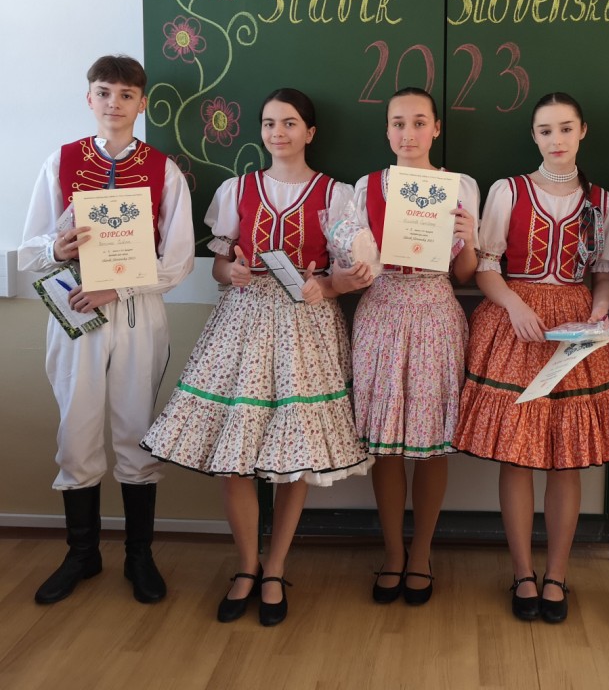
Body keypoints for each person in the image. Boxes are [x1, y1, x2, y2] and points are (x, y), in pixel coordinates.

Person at [142, 88, 374, 626]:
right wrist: (234, 271)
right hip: (242, 323)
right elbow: (220, 267)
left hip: (306, 326)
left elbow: (347, 276)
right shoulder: (237, 188)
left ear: (309, 132)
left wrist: (326, 286)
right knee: (235, 454)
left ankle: (275, 567)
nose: (278, 132)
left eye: (289, 123)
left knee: (294, 455)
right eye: (269, 123)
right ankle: (246, 565)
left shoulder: (337, 194)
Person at [18, 55, 194, 606]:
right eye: (103, 92)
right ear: (88, 98)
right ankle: (82, 554)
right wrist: (57, 247)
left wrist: (117, 288)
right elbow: (30, 250)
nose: (113, 103)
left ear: (142, 103)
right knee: (76, 432)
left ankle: (139, 556)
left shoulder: (164, 169)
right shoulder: (61, 161)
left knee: (136, 430)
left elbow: (179, 260)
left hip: (137, 315)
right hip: (76, 313)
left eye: (125, 94)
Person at [453, 92, 609, 624]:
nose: (557, 139)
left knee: (565, 458)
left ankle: (557, 573)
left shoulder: (602, 202)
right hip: (518, 326)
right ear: (534, 136)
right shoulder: (508, 191)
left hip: (575, 333)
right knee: (517, 456)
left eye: (566, 128)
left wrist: (599, 312)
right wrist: (514, 304)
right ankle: (523, 572)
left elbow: (604, 276)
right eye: (546, 130)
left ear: (582, 132)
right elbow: (486, 268)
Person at [348, 87, 479, 606]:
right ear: (387, 131)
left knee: (430, 443)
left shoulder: (460, 186)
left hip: (435, 312)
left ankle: (421, 552)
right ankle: (392, 551)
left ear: (436, 129)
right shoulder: (366, 186)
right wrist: (356, 266)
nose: (408, 133)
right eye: (398, 123)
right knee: (385, 444)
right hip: (381, 311)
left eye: (419, 122)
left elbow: (465, 274)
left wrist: (468, 236)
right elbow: (354, 264)